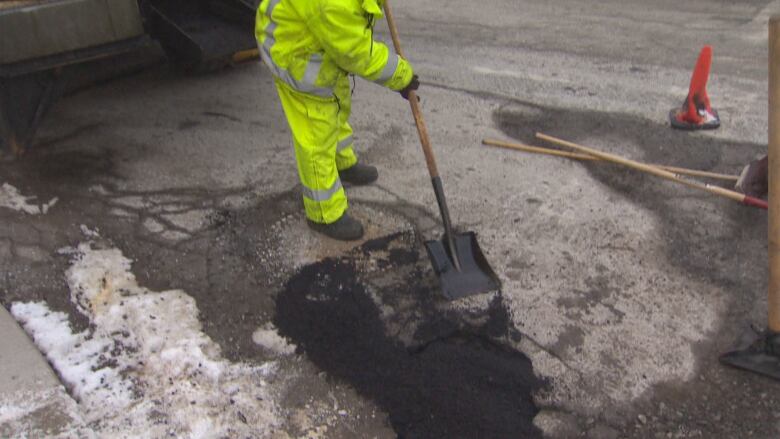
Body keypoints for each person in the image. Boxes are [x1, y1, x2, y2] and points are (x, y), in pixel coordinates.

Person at [255, 0, 419, 241]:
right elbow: (356, 53)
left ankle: (343, 163)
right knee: (316, 131)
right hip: (293, 51)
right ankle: (323, 214)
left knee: (336, 103)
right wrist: (401, 77)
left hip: (317, 39)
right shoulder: (333, 4)